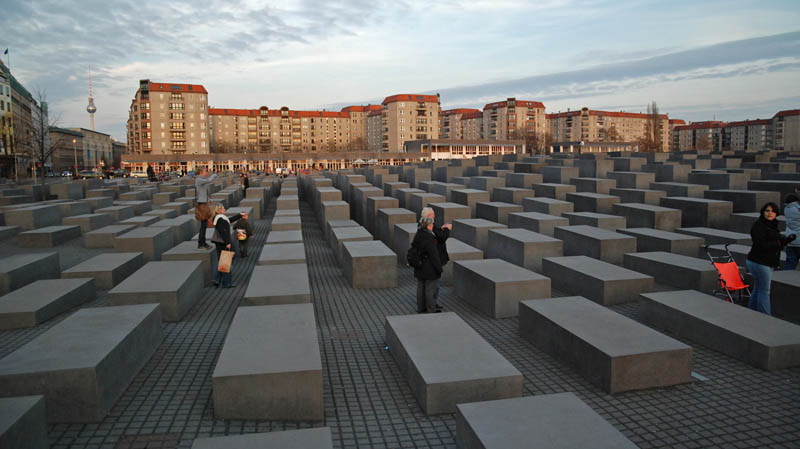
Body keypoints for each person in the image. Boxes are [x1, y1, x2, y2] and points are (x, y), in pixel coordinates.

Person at [746, 202, 796, 315]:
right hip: (759, 262)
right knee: (765, 291)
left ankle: (751, 312)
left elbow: (775, 243)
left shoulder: (772, 225)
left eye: (773, 211)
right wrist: (779, 242)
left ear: (776, 213)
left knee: (758, 288)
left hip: (766, 262)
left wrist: (786, 240)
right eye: (767, 210)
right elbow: (762, 244)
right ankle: (765, 317)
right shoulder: (758, 225)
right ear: (763, 212)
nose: (770, 213)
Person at [420, 207, 452, 311]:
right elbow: (442, 237)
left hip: (427, 260)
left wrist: (440, 228)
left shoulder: (423, 225)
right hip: (433, 260)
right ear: (429, 217)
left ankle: (425, 305)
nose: (434, 216)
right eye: (433, 214)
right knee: (434, 286)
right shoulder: (430, 227)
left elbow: (437, 233)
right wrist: (447, 229)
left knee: (428, 285)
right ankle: (431, 305)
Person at [411, 216, 443, 313]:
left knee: (420, 287)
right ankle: (431, 309)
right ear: (428, 226)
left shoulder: (418, 234)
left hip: (419, 266)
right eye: (432, 224)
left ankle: (420, 308)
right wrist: (439, 268)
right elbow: (433, 255)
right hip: (429, 267)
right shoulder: (429, 237)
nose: (433, 225)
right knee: (430, 289)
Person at [211, 204, 242, 288]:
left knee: (222, 262)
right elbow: (223, 232)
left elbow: (230, 220)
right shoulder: (220, 219)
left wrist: (240, 215)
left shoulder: (221, 218)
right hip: (223, 243)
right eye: (223, 208)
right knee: (226, 263)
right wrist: (228, 243)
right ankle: (226, 283)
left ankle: (216, 279)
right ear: (219, 210)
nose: (225, 209)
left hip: (221, 243)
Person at [194, 167, 217, 250]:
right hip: (201, 204)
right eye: (205, 171)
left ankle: (203, 242)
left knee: (204, 225)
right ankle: (201, 244)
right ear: (200, 172)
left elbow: (202, 192)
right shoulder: (199, 180)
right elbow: (209, 180)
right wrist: (214, 175)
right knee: (203, 226)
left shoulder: (201, 179)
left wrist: (209, 199)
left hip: (204, 202)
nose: (206, 173)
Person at [783, 194, 800, 270]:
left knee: (790, 263)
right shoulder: (798, 209)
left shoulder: (786, 209)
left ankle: (786, 277)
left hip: (790, 241)